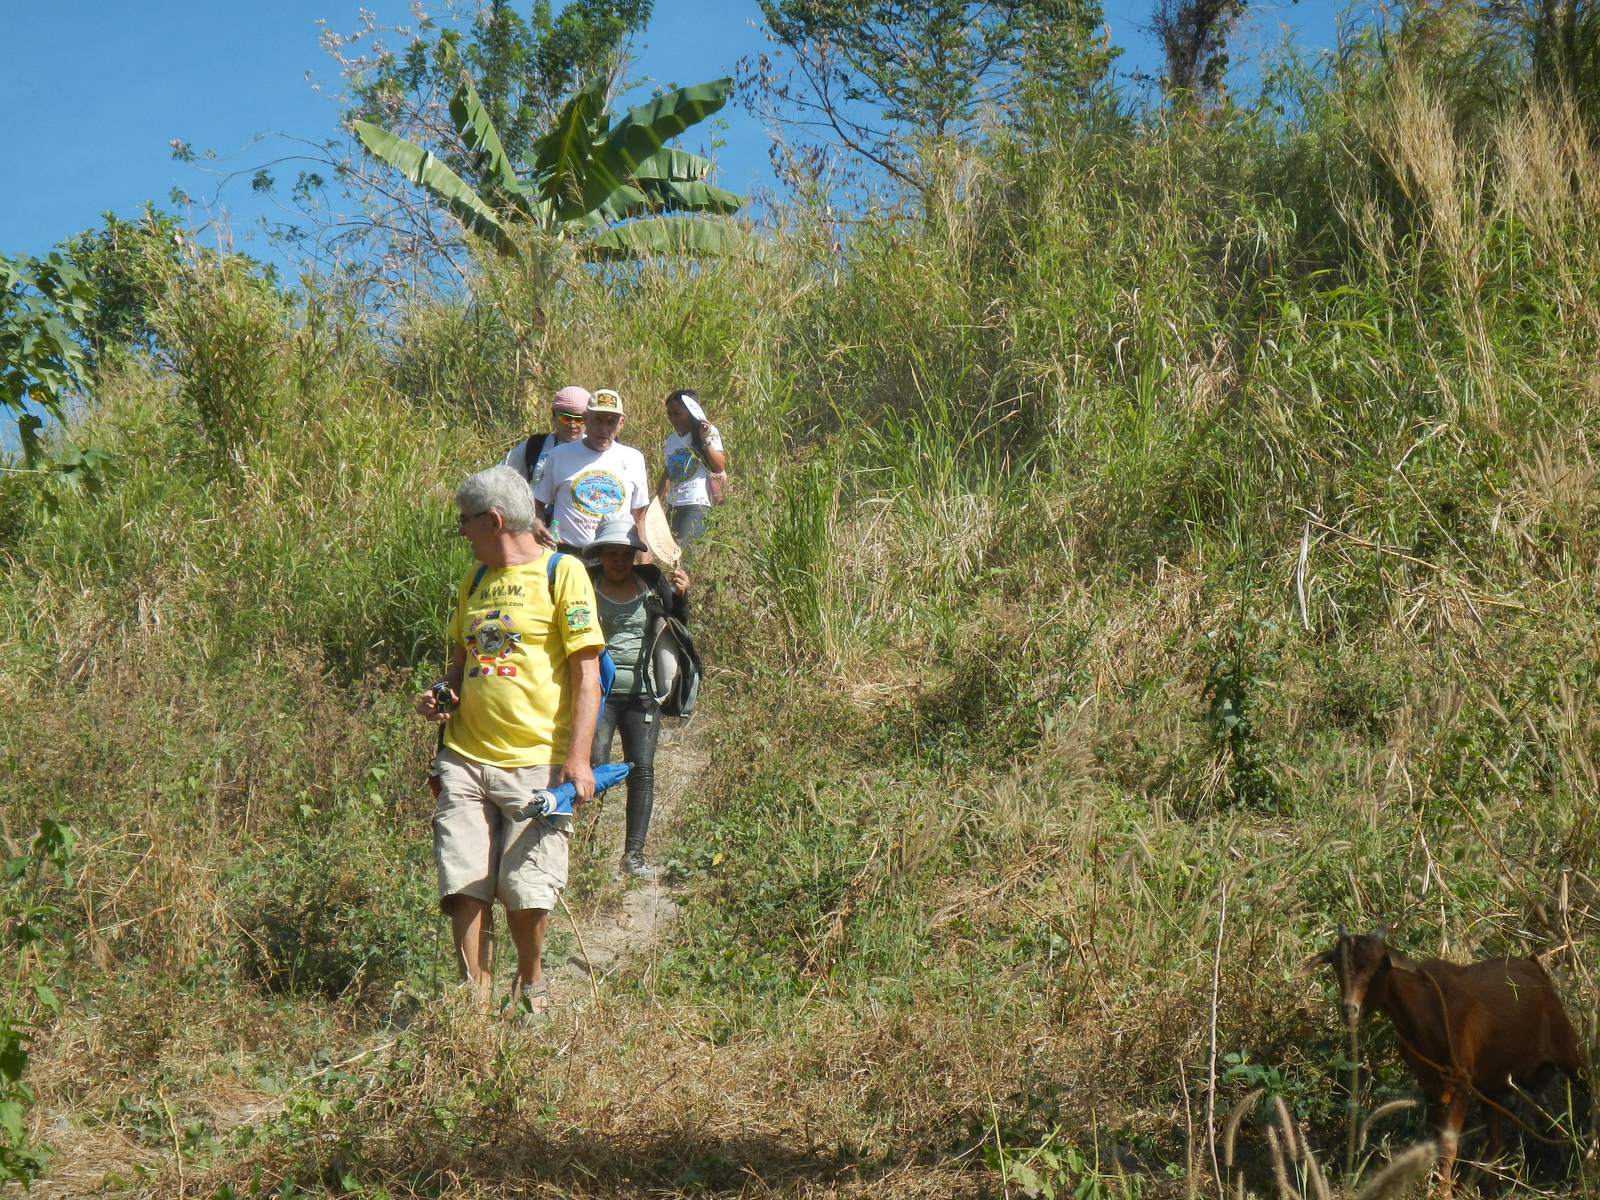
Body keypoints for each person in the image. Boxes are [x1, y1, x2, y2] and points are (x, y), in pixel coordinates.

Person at [415, 465, 604, 1016]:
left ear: (494, 521)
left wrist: (578, 759)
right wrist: (441, 694)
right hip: (464, 757)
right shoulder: (474, 580)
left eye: (465, 521)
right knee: (464, 882)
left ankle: (530, 984)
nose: (461, 531)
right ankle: (473, 1003)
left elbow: (587, 675)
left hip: (536, 762)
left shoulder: (562, 573)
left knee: (526, 889)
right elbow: (460, 663)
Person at [585, 514, 689, 881]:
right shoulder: (584, 586)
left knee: (641, 771)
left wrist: (681, 597)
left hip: (643, 693)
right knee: (594, 770)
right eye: (611, 553)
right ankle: (586, 853)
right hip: (596, 695)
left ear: (635, 556)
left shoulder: (652, 583)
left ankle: (633, 855)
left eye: (626, 554)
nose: (618, 560)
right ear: (599, 554)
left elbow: (678, 624)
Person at [533, 388, 651, 553]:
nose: (603, 429)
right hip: (568, 555)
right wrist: (538, 525)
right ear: (586, 419)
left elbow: (639, 515)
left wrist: (644, 553)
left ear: (621, 424)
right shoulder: (558, 456)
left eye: (611, 422)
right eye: (598, 420)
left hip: (615, 558)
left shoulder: (633, 458)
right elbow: (538, 502)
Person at [656, 389, 727, 549]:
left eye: (677, 413)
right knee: (669, 552)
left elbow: (719, 465)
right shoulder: (672, 440)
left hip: (696, 504)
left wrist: (704, 440)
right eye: (670, 413)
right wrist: (658, 503)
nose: (672, 418)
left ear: (691, 412)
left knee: (685, 552)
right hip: (674, 505)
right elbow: (667, 473)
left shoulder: (709, 432)